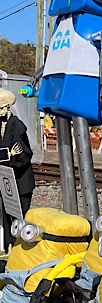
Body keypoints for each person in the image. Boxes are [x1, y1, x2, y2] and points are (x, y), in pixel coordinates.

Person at [0, 89, 34, 251]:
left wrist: (10, 157)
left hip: (20, 183)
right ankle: (8, 246)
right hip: (6, 181)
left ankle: (19, 248)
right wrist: (8, 155)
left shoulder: (17, 126)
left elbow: (23, 155)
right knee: (7, 216)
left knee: (18, 217)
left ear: (7, 107)